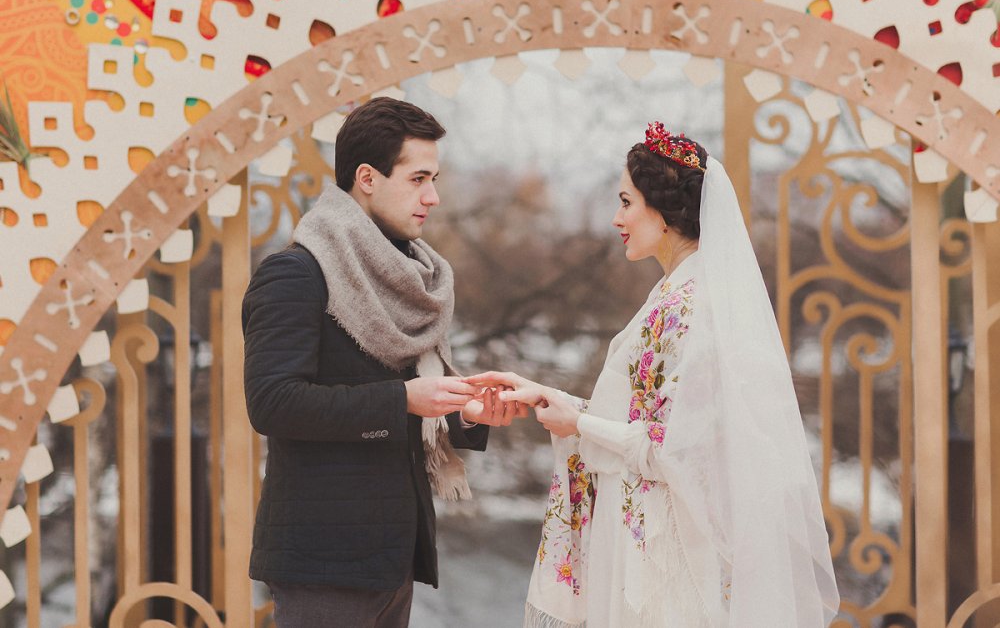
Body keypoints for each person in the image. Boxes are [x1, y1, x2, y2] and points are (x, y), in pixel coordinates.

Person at [469, 123, 840, 627]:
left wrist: (578, 424)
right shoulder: (674, 293)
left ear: (664, 211)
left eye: (626, 202)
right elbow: (642, 421)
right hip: (641, 532)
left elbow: (675, 449)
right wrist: (547, 397)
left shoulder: (691, 305)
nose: (616, 218)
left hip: (666, 553)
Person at [242, 97, 519, 627]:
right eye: (418, 179)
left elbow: (408, 397)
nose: (433, 196)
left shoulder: (408, 279)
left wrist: (463, 413)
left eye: (433, 179)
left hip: (392, 559)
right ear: (367, 178)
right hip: (324, 562)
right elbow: (273, 403)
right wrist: (403, 401)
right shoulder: (295, 274)